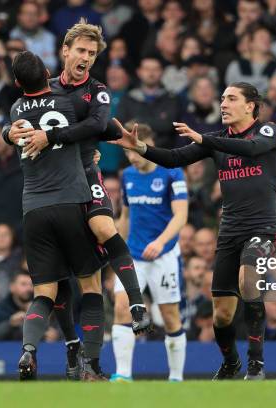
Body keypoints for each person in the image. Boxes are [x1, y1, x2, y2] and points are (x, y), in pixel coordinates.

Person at [111, 81, 276, 381]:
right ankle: (231, 362)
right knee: (222, 314)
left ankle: (256, 365)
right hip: (230, 231)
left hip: (263, 227)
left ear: (250, 106)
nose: (223, 104)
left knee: (249, 278)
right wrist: (140, 147)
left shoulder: (267, 132)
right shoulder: (215, 140)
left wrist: (205, 140)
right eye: (222, 98)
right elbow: (174, 159)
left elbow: (251, 148)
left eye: (231, 99)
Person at [2, 19, 150, 363]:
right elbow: (19, 121)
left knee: (102, 229)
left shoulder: (96, 91)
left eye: (93, 53)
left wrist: (52, 137)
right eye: (81, 50)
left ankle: (135, 302)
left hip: (87, 174)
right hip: (60, 185)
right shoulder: (47, 88)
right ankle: (74, 349)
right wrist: (9, 132)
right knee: (69, 278)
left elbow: (98, 124)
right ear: (65, 51)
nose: (86, 57)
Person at [9, 50, 114, 381]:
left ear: (16, 83)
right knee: (91, 284)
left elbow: (11, 128)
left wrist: (3, 132)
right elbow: (94, 125)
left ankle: (28, 350)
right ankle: (91, 365)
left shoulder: (15, 113)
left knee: (44, 294)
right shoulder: (66, 104)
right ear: (48, 72)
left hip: (33, 210)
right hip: (70, 203)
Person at [111, 124, 188, 382]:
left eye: (136, 151)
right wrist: (116, 250)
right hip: (134, 255)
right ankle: (122, 375)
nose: (132, 157)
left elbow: (181, 215)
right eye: (128, 152)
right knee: (122, 309)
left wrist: (160, 241)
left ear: (149, 144)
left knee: (169, 316)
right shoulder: (127, 176)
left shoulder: (171, 173)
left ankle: (176, 378)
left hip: (164, 254)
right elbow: (125, 216)